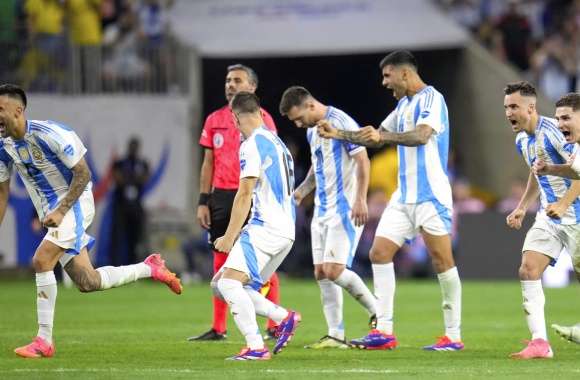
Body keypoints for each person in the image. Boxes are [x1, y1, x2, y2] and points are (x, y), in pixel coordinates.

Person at [0, 84, 181, 359]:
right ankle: (149, 268)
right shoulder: (4, 146)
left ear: (18, 110)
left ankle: (43, 341)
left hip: (75, 204)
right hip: (55, 214)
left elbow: (83, 174)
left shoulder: (51, 134)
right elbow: (2, 193)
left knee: (41, 260)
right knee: (88, 281)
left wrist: (61, 211)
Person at [317, 50, 463, 351]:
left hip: (430, 196)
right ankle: (384, 331)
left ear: (405, 73)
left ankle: (453, 335)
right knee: (379, 253)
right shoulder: (404, 105)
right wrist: (338, 133)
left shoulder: (431, 99)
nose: (384, 82)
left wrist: (384, 138)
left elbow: (422, 136)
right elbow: (375, 135)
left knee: (442, 261)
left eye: (387, 75)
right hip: (403, 197)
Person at [279, 86, 376, 349]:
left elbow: (362, 159)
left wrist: (360, 199)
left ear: (310, 105)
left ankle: (379, 313)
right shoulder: (313, 131)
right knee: (321, 272)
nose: (298, 124)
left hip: (344, 209)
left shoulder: (341, 122)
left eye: (298, 117)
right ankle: (335, 334)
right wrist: (301, 192)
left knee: (334, 270)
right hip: (322, 210)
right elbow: (316, 165)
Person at [190, 64, 281, 341]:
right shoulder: (214, 119)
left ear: (252, 87)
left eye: (237, 80)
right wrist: (203, 200)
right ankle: (219, 328)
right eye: (228, 80)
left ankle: (274, 325)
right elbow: (208, 163)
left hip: (251, 195)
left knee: (259, 263)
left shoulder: (263, 120)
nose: (230, 84)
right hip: (222, 196)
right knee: (220, 260)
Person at [212, 91, 300, 360]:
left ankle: (255, 347)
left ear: (236, 118)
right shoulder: (277, 142)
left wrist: (229, 237)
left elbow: (244, 193)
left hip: (266, 228)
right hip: (287, 231)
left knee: (228, 285)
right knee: (223, 285)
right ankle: (283, 317)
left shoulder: (251, 145)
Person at [503, 82, 580, 359]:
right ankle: (539, 343)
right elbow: (537, 174)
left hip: (575, 216)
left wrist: (564, 202)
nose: (508, 112)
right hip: (549, 216)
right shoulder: (521, 139)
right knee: (528, 268)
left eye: (514, 106)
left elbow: (579, 170)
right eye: (506, 107)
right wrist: (522, 206)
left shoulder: (556, 132)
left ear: (530, 107)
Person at [532, 92, 580, 344]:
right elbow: (576, 171)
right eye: (558, 118)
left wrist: (563, 203)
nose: (560, 124)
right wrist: (549, 169)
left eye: (566, 118)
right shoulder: (576, 147)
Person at [110, 136, 150, 265]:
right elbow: (118, 179)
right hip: (121, 206)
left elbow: (145, 178)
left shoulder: (142, 163)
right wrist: (131, 178)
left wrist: (131, 178)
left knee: (135, 238)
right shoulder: (120, 163)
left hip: (136, 206)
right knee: (117, 237)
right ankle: (115, 265)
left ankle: (134, 266)